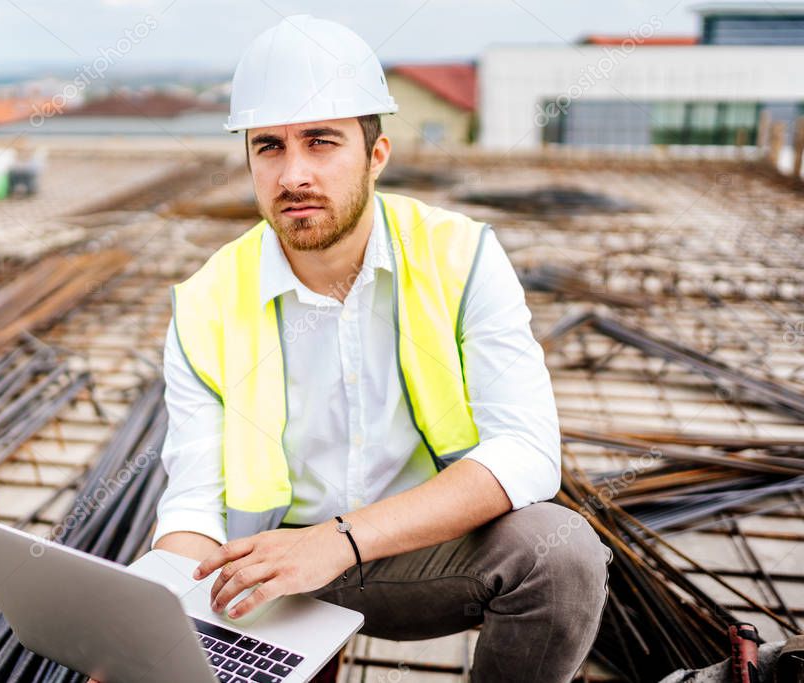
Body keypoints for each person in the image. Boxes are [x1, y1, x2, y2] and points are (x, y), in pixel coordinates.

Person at [150, 14, 613, 683]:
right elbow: (194, 501)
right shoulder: (204, 302)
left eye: (321, 141)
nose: (294, 174)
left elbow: (527, 452)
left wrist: (338, 542)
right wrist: (161, 615)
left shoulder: (461, 256)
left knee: (561, 551)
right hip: (272, 575)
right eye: (269, 147)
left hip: (419, 552)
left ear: (377, 154)